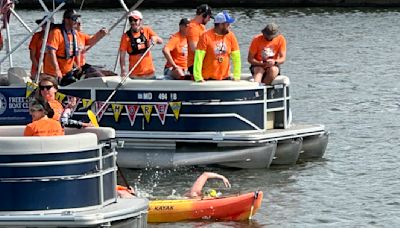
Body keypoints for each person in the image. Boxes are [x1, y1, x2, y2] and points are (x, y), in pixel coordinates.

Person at [44, 8, 107, 85]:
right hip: (53, 73)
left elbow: (90, 41)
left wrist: (100, 34)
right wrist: (57, 70)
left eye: (77, 19)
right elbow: (51, 52)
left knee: (96, 76)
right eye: (74, 19)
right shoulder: (56, 33)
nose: (76, 21)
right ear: (66, 20)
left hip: (68, 71)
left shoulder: (75, 34)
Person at [193, 11, 241, 82]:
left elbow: (236, 58)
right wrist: (198, 77)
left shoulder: (231, 36)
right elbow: (198, 58)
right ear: (221, 25)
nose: (230, 26)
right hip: (208, 79)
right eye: (227, 24)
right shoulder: (205, 36)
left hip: (225, 77)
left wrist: (236, 76)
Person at [119, 10, 163, 79]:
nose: (133, 22)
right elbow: (122, 57)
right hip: (135, 75)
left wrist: (155, 38)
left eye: (135, 20)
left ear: (140, 21)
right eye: (131, 20)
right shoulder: (125, 36)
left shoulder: (147, 30)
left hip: (150, 74)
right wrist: (123, 71)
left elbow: (160, 41)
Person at [187, 4, 213, 75]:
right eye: (209, 17)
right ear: (204, 15)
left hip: (203, 62)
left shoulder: (201, 26)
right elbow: (194, 48)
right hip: (195, 64)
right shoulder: (193, 28)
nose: (209, 19)